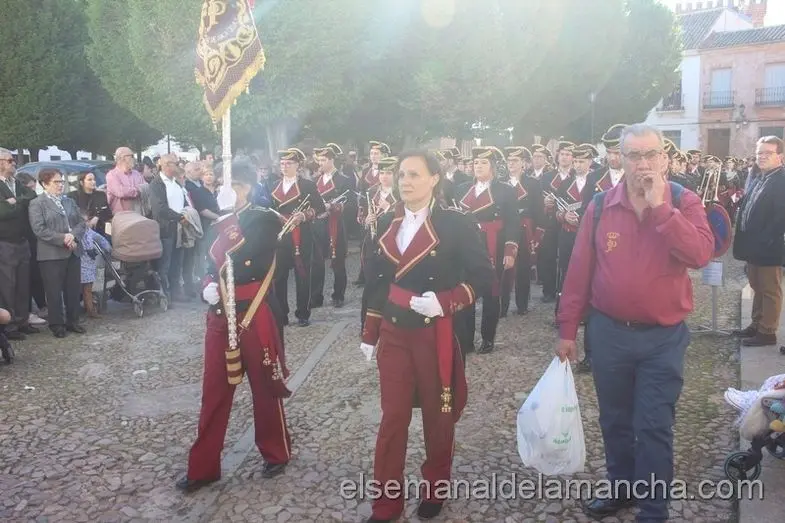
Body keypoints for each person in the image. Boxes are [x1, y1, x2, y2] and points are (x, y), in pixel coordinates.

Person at [556, 124, 713, 522]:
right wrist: (567, 328)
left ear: (664, 159)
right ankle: (621, 488)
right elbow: (579, 270)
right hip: (609, 334)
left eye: (650, 155)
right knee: (615, 420)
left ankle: (654, 508)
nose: (643, 164)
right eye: (634, 156)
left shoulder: (684, 200)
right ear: (620, 160)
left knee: (654, 423)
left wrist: (661, 209)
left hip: (662, 338)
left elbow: (700, 254)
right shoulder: (600, 205)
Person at [360, 150, 493, 523]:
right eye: (401, 174)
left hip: (435, 332)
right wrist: (369, 331)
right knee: (393, 418)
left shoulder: (455, 223)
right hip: (394, 331)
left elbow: (484, 276)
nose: (405, 181)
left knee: (438, 416)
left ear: (435, 178)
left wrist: (447, 301)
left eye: (414, 174)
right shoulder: (387, 221)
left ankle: (435, 486)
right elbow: (377, 281)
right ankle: (386, 502)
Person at [177, 159, 292, 492]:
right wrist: (206, 285)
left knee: (265, 387)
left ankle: (276, 451)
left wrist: (229, 219)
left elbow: (247, 257)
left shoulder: (264, 219)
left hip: (253, 311)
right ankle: (203, 466)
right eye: (220, 187)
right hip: (220, 312)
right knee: (214, 390)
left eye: (231, 186)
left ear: (246, 188)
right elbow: (209, 263)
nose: (222, 192)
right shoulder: (219, 222)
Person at [456, 146, 518, 354]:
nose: (478, 166)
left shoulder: (505, 190)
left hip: (494, 244)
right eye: (476, 163)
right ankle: (466, 339)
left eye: (483, 163)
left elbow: (513, 222)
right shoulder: (462, 188)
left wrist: (510, 251)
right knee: (466, 291)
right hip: (466, 245)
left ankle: (488, 338)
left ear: (492, 166)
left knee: (491, 293)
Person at [732, 136, 785, 347]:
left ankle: (767, 331)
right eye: (759, 153)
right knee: (757, 285)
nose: (762, 157)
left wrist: (766, 239)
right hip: (753, 245)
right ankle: (756, 324)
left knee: (770, 289)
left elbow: (780, 217)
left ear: (780, 156)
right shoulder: (759, 177)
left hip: (769, 245)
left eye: (768, 153)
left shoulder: (781, 180)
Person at [28, 169, 89, 338]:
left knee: (73, 289)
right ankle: (57, 324)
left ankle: (73, 321)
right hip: (51, 254)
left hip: (73, 251)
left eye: (62, 181)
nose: (60, 185)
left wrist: (73, 236)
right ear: (45, 184)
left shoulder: (69, 201)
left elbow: (80, 223)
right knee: (53, 291)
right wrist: (63, 238)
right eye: (56, 182)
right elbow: (39, 229)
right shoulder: (37, 203)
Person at [271, 148, 326, 327]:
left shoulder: (307, 185)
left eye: (289, 163)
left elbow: (320, 207)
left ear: (297, 165)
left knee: (302, 274)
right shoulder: (273, 185)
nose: (285, 167)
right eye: (282, 163)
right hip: (280, 235)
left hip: (301, 235)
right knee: (279, 276)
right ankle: (282, 313)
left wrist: (304, 215)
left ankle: (303, 312)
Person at [0, 148, 40, 340]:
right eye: (10, 160)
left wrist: (14, 201)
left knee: (24, 283)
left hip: (22, 240)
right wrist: (14, 205)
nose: (14, 163)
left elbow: (32, 195)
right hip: (5, 242)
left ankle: (23, 320)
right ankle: (10, 325)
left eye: (14, 160)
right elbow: (2, 212)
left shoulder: (16, 183)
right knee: (8, 285)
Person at [501, 146, 544, 316]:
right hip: (505, 230)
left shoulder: (532, 183)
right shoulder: (501, 182)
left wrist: (538, 233)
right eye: (509, 161)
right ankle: (502, 306)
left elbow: (539, 210)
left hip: (525, 229)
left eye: (515, 161)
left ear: (523, 163)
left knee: (523, 269)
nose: (511, 164)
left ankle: (522, 305)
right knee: (504, 268)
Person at [311, 144, 352, 308]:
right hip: (318, 223)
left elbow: (350, 204)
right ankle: (316, 296)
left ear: (331, 160)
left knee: (338, 260)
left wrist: (333, 207)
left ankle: (338, 295)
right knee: (316, 261)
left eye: (323, 160)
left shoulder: (344, 180)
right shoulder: (315, 180)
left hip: (336, 223)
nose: (320, 163)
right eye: (319, 160)